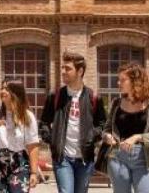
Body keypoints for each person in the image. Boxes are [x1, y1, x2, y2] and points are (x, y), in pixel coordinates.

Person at [41, 51, 108, 193]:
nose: (63, 71)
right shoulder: (55, 96)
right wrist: (52, 139)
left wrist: (92, 137)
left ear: (80, 71)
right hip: (62, 158)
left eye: (68, 68)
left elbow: (103, 124)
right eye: (63, 68)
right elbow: (44, 123)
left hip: (85, 159)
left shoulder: (94, 97)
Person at [103, 62, 149, 193]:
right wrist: (107, 136)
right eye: (118, 80)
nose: (118, 83)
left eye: (122, 80)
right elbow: (107, 129)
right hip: (118, 157)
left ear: (135, 81)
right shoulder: (116, 103)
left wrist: (137, 137)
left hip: (144, 159)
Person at [0, 80, 41, 193]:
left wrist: (34, 172)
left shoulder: (27, 116)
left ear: (16, 93)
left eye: (7, 89)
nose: (2, 91)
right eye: (2, 88)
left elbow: (33, 145)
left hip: (18, 163)